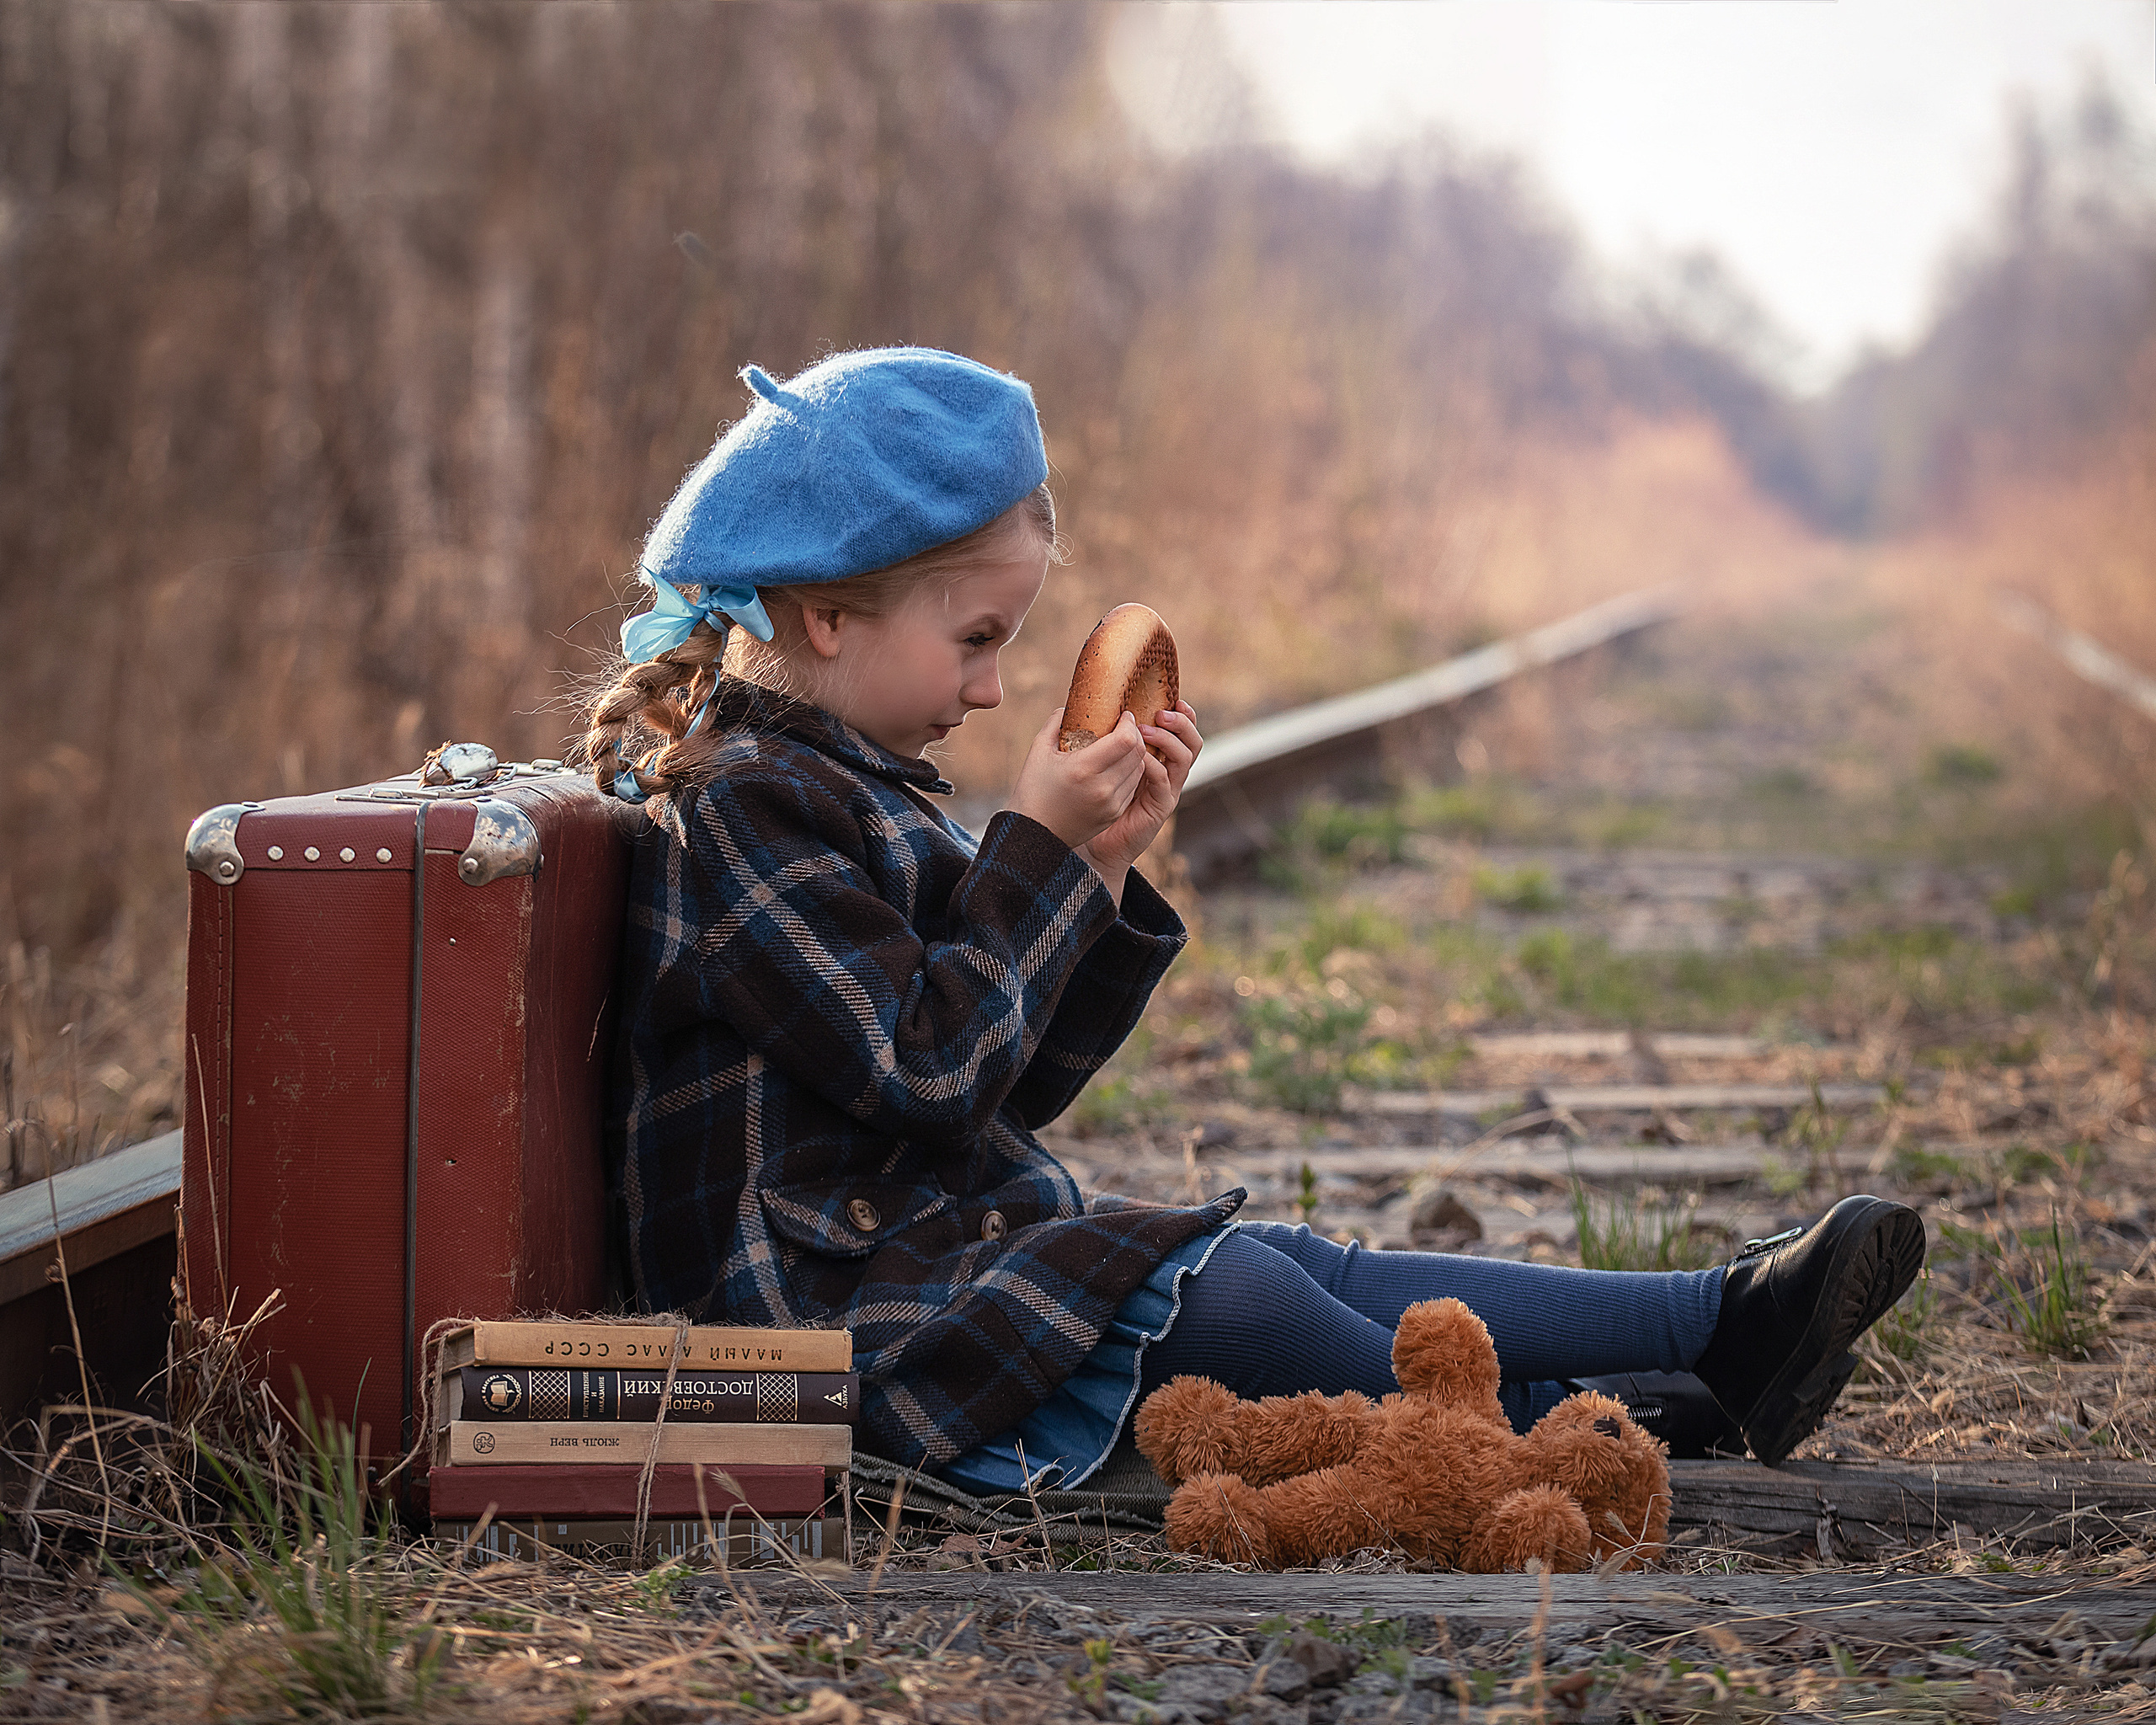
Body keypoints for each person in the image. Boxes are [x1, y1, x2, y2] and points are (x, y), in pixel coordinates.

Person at [583, 347, 1925, 1496]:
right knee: (1243, 1299)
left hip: (923, 1255)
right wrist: (1036, 845)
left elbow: (1009, 1088)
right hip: (827, 1327)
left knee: (1292, 1262)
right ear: (827, 614)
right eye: (978, 639)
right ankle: (1562, 1424)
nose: (992, 691)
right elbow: (932, 1071)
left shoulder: (848, 786)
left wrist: (1096, 869)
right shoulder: (741, 809)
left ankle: (1712, 1322)